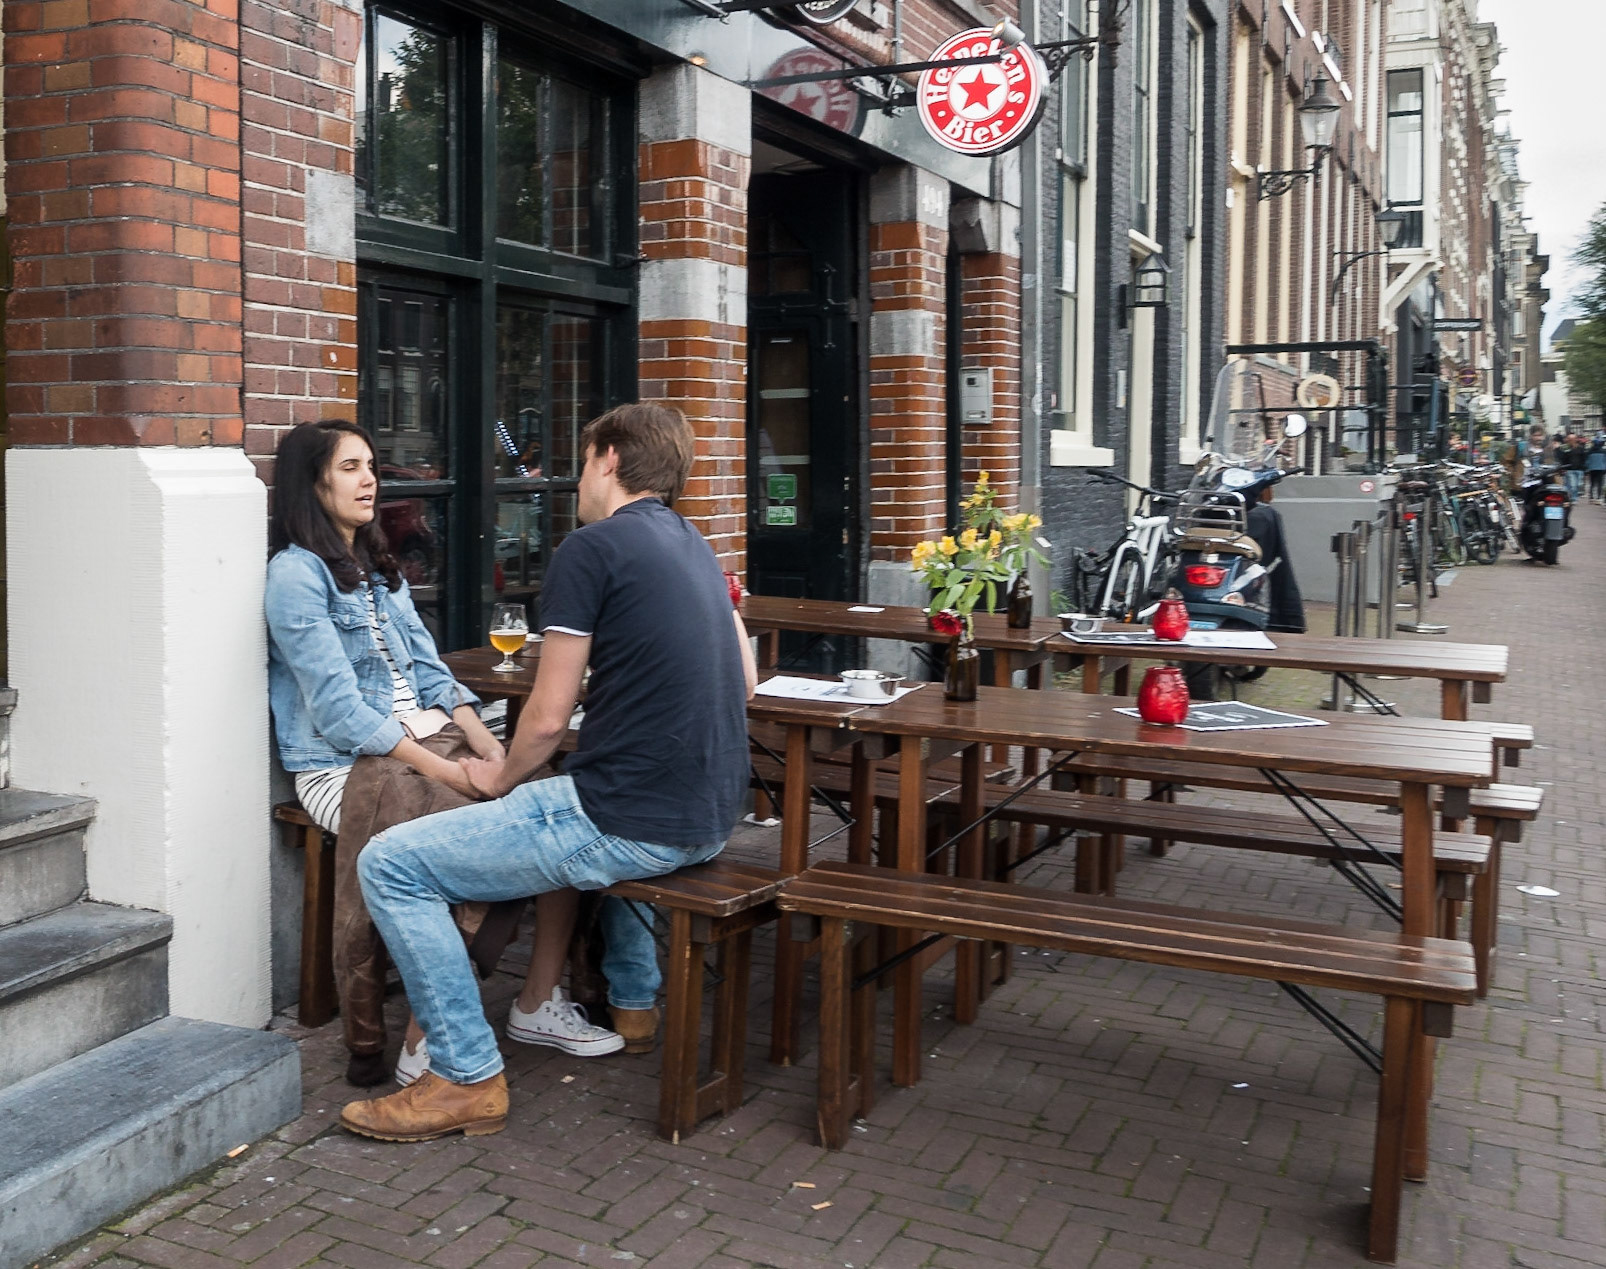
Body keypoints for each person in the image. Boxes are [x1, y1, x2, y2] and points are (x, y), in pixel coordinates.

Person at [339, 402, 758, 1143]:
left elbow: (544, 719)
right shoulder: (693, 542)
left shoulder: (591, 549)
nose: (577, 480)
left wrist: (497, 779)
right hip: (711, 816)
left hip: (626, 818)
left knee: (391, 863)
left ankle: (465, 1076)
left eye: (584, 461)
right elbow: (747, 683)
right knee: (543, 805)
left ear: (609, 459)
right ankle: (556, 1004)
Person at [266, 421, 652, 1088]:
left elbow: (432, 672)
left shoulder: (379, 570)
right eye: (351, 467)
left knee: (556, 805)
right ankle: (430, 1038)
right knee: (465, 832)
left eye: (372, 466)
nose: (370, 479)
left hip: (431, 745)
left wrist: (492, 751)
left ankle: (536, 1001)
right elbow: (338, 711)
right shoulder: (295, 575)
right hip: (342, 766)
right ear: (312, 482)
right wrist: (453, 772)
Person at [1587, 434, 1606, 504]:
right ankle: (1598, 497)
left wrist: (1587, 468)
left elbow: (1587, 461)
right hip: (1601, 469)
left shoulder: (1590, 451)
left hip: (1592, 469)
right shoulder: (1603, 451)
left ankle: (1591, 497)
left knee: (1592, 483)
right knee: (1600, 484)